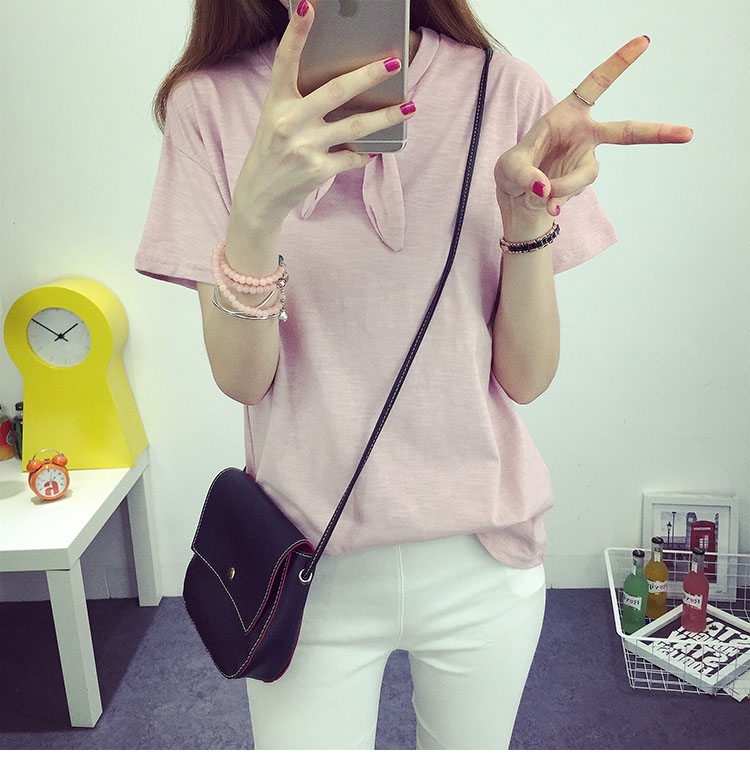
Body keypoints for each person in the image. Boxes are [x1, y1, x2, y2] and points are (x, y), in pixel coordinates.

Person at [135, 0, 692, 750]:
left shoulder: (503, 89)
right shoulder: (209, 103)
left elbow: (526, 379)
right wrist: (256, 216)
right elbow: (244, 380)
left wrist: (528, 219)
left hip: (484, 556)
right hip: (305, 565)